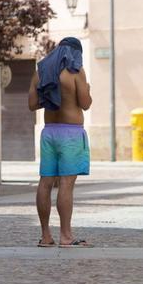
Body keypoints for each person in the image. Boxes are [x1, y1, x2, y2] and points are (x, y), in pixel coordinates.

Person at [28, 37, 93, 247]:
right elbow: (85, 103)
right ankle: (66, 236)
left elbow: (32, 104)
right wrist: (87, 89)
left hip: (49, 132)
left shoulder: (41, 73)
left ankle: (46, 236)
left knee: (45, 182)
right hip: (71, 134)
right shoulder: (75, 72)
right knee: (66, 184)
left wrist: (52, 96)